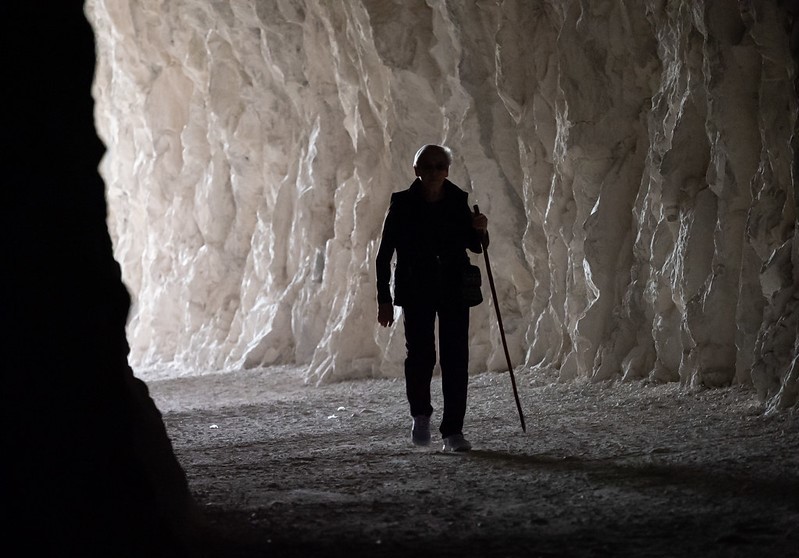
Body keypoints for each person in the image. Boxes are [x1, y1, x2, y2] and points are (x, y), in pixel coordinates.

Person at [376, 144, 488, 452]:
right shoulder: (401, 204)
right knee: (421, 356)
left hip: (453, 288)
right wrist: (384, 299)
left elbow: (476, 246)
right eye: (427, 165)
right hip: (416, 289)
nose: (434, 171)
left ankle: (453, 431)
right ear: (416, 170)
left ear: (447, 170)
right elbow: (384, 255)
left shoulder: (457, 201)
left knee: (456, 358)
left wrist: (481, 229)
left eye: (440, 165)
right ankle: (421, 415)